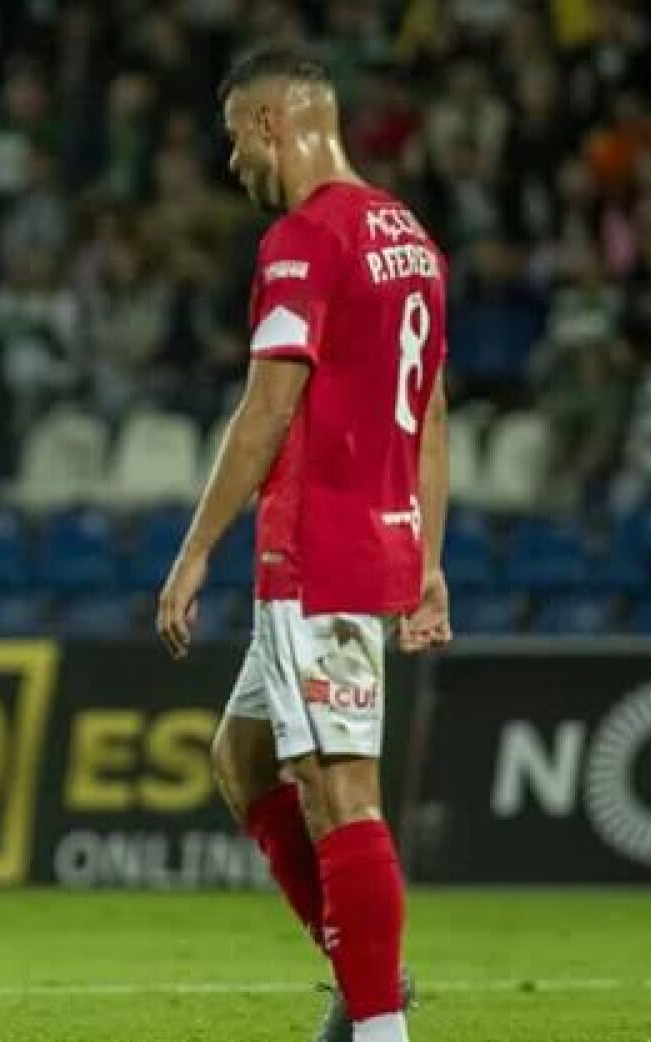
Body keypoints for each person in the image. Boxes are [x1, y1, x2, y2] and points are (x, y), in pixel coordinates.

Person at [155, 49, 452, 1042]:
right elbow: (431, 414)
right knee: (243, 759)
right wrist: (432, 558)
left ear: (272, 124)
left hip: (316, 549)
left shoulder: (303, 237)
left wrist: (196, 548)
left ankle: (378, 1027)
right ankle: (366, 969)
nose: (232, 156)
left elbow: (267, 407)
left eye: (235, 134)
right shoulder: (408, 237)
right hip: (378, 541)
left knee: (336, 785)